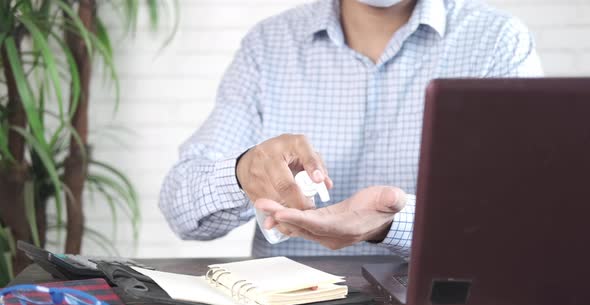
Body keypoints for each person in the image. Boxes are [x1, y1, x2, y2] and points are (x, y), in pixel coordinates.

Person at [159, 0, 543, 258]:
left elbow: (520, 218)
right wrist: (244, 171)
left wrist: (392, 223)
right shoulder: (268, 45)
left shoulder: (496, 41)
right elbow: (181, 209)